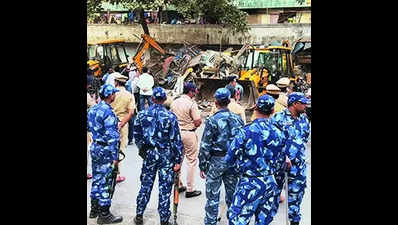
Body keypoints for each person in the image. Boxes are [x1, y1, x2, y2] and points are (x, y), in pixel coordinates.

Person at [225, 94, 285, 225]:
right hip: (270, 182)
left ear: (255, 108)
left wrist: (238, 171)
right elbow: (282, 163)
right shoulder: (279, 133)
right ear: (273, 111)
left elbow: (230, 158)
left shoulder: (246, 131)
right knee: (263, 221)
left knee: (238, 220)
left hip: (249, 182)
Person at [133, 87, 183, 225]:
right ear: (165, 100)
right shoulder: (170, 117)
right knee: (165, 188)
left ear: (152, 98)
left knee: (145, 185)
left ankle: (139, 214)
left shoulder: (142, 115)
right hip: (165, 155)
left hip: (149, 154)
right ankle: (164, 219)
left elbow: (137, 135)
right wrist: (178, 160)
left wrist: (143, 150)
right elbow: (176, 140)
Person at [198, 88, 244, 225]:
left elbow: (205, 145)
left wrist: (203, 165)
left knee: (213, 197)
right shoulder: (238, 120)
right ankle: (234, 221)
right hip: (232, 161)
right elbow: (241, 143)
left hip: (216, 161)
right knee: (233, 195)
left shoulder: (212, 120)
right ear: (229, 101)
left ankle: (211, 222)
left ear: (216, 102)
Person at [270, 92, 310, 225]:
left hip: (298, 167)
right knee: (272, 198)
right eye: (303, 103)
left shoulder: (304, 120)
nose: (306, 105)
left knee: (296, 197)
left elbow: (303, 139)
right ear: (294, 104)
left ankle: (294, 221)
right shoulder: (278, 118)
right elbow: (271, 142)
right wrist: (283, 155)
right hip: (280, 165)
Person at [87, 84, 123, 224]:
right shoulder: (108, 112)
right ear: (109, 95)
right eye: (113, 93)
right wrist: (115, 157)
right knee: (106, 181)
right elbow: (112, 137)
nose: (115, 95)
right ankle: (104, 214)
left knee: (97, 177)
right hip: (106, 149)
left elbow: (90, 127)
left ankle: (93, 209)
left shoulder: (93, 109)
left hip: (95, 146)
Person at [170, 82, 202, 198]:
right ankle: (190, 189)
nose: (196, 92)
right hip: (189, 133)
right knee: (191, 161)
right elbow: (198, 121)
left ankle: (178, 184)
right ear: (191, 92)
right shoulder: (191, 104)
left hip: (177, 134)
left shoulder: (174, 102)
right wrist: (193, 124)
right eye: (195, 91)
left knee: (178, 160)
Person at [110, 73, 135, 183]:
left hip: (109, 122)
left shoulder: (111, 93)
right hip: (122, 124)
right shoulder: (129, 95)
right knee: (120, 149)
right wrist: (122, 123)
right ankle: (117, 173)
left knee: (110, 146)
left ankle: (110, 171)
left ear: (116, 82)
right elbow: (131, 112)